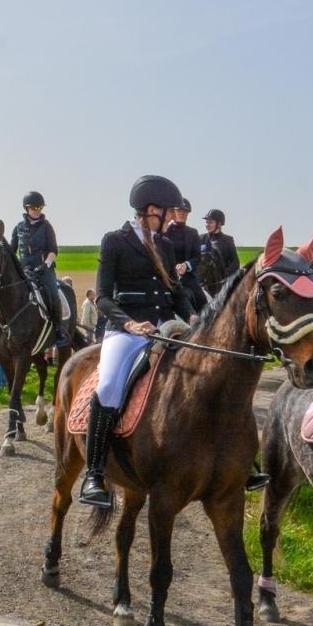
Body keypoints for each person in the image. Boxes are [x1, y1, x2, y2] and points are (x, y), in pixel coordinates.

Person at [80, 175, 194, 506]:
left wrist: (195, 322)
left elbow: (176, 292)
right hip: (126, 332)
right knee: (110, 386)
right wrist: (129, 323)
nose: (173, 218)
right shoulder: (115, 241)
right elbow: (102, 297)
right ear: (150, 209)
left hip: (165, 328)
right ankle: (95, 474)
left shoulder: (166, 245)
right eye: (168, 212)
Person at [12, 191, 68, 345]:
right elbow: (12, 250)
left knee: (53, 295)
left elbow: (53, 250)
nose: (37, 210)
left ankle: (57, 330)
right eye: (34, 207)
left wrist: (46, 265)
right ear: (26, 208)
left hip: (44, 269)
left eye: (40, 208)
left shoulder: (46, 226)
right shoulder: (18, 228)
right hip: (24, 270)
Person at [165, 199, 207, 318]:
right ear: (173, 212)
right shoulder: (164, 231)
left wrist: (186, 265)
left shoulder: (193, 233)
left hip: (188, 277)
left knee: (204, 303)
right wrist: (173, 267)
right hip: (167, 275)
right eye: (179, 211)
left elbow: (197, 257)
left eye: (185, 212)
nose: (182, 214)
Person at [199, 208, 241, 281]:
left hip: (223, 281)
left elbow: (235, 262)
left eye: (210, 222)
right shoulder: (201, 238)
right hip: (203, 280)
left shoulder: (228, 240)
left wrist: (225, 274)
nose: (207, 225)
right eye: (207, 222)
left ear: (219, 224)